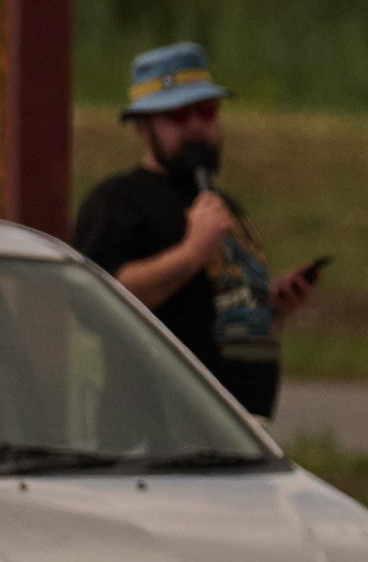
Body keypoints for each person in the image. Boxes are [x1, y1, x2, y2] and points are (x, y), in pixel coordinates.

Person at [71, 43, 318, 419]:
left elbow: (211, 311)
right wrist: (190, 253)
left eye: (205, 111)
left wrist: (271, 310)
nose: (196, 127)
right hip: (158, 429)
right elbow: (98, 301)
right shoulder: (120, 201)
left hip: (244, 426)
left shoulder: (223, 207)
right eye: (177, 115)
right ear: (142, 126)